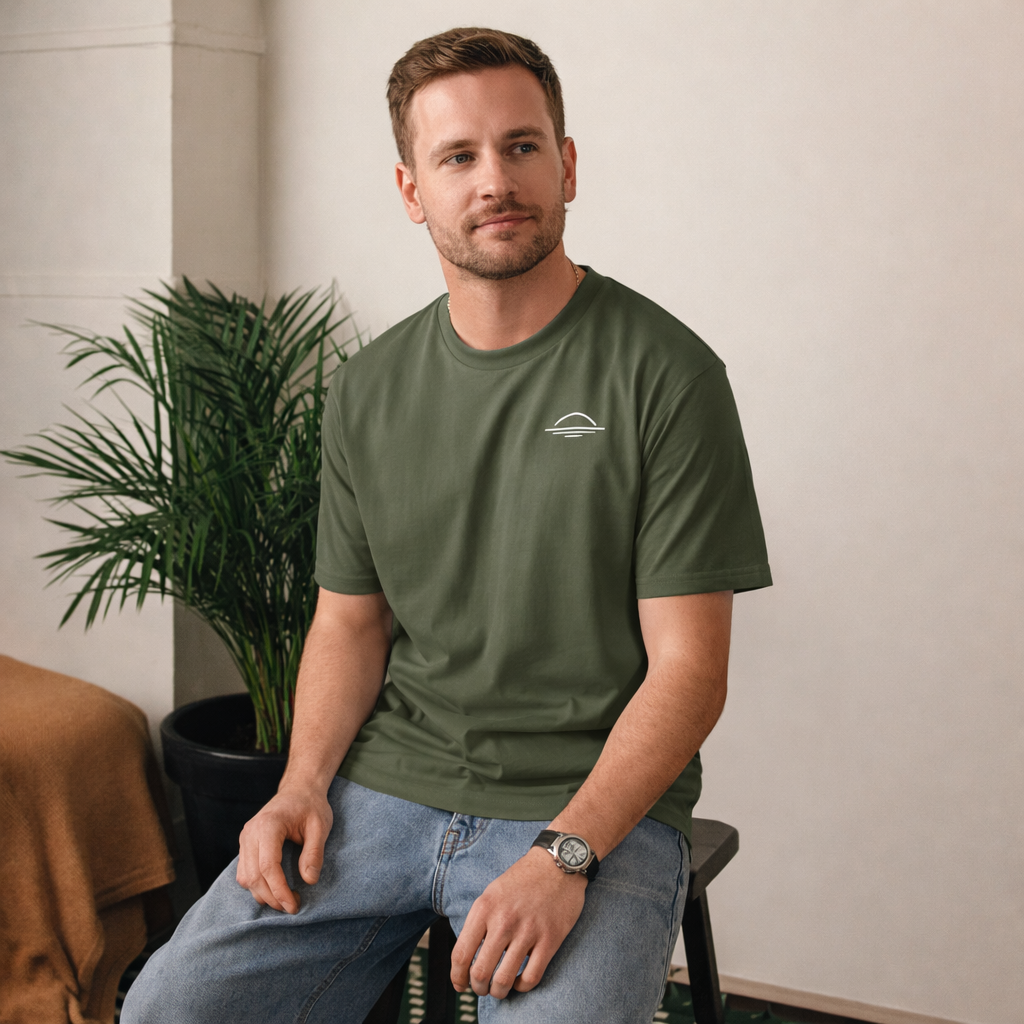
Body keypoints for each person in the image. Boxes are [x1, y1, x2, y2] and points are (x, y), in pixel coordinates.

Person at [122, 27, 771, 1024]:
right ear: (410, 189)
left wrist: (564, 854)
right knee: (171, 1007)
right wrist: (300, 785)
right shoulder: (371, 387)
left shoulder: (666, 375)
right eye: (457, 156)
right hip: (385, 788)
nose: (493, 180)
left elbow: (689, 671)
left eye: (520, 146)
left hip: (589, 804)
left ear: (565, 165)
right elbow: (349, 621)